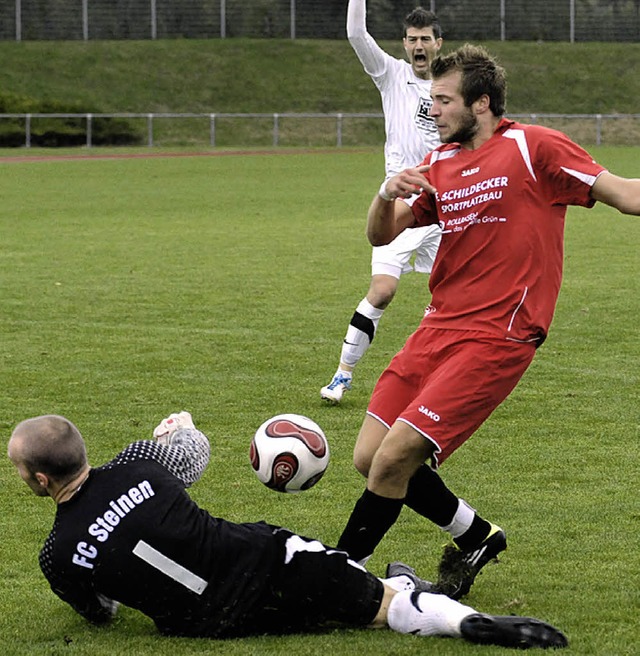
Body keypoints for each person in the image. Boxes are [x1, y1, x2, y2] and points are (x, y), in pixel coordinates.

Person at [335, 44, 640, 598]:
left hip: (499, 334)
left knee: (394, 461)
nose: (432, 111)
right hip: (436, 328)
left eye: (443, 101)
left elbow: (626, 195)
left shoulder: (533, 145)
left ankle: (333, 574)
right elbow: (382, 235)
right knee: (367, 458)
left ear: (480, 104)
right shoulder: (441, 164)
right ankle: (477, 536)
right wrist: (386, 191)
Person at [7, 411, 568, 648]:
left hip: (204, 625)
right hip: (262, 562)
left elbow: (100, 612)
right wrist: (183, 428)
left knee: (329, 610)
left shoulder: (58, 555)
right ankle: (461, 621)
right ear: (81, 453)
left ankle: (404, 588)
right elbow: (195, 452)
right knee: (381, 604)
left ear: (38, 480)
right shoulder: (140, 464)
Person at [320, 2, 443, 404]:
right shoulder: (390, 74)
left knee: (454, 295)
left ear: (438, 43)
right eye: (413, 39)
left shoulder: (452, 87)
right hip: (398, 205)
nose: (419, 45)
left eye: (426, 38)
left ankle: (436, 375)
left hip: (444, 208)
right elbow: (357, 34)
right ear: (405, 45)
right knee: (383, 291)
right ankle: (342, 375)